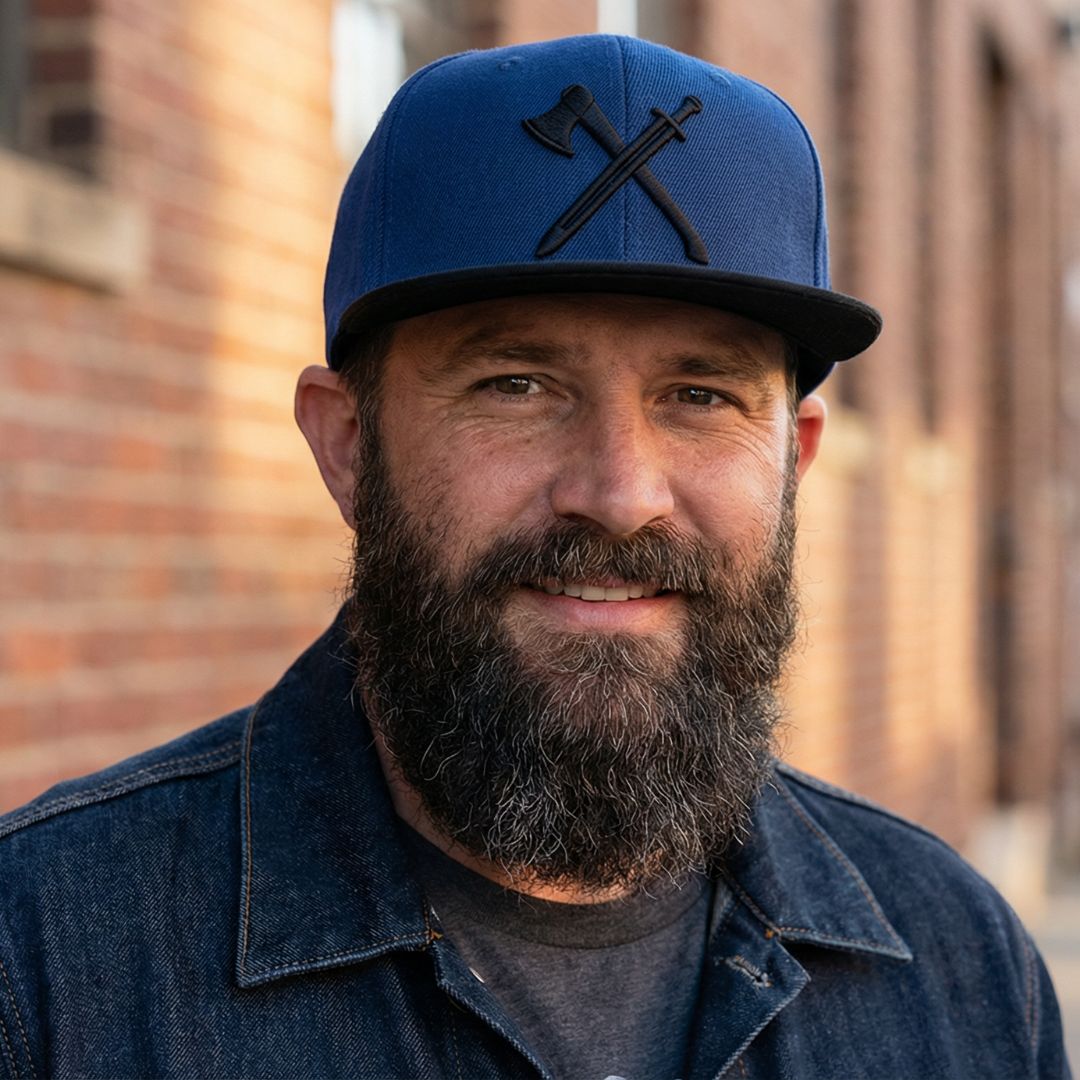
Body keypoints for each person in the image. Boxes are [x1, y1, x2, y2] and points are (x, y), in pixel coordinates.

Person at [0, 33, 1070, 1080]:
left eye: (701, 396)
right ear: (349, 445)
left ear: (794, 461)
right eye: (515, 385)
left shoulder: (960, 968)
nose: (621, 495)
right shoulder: (41, 971)